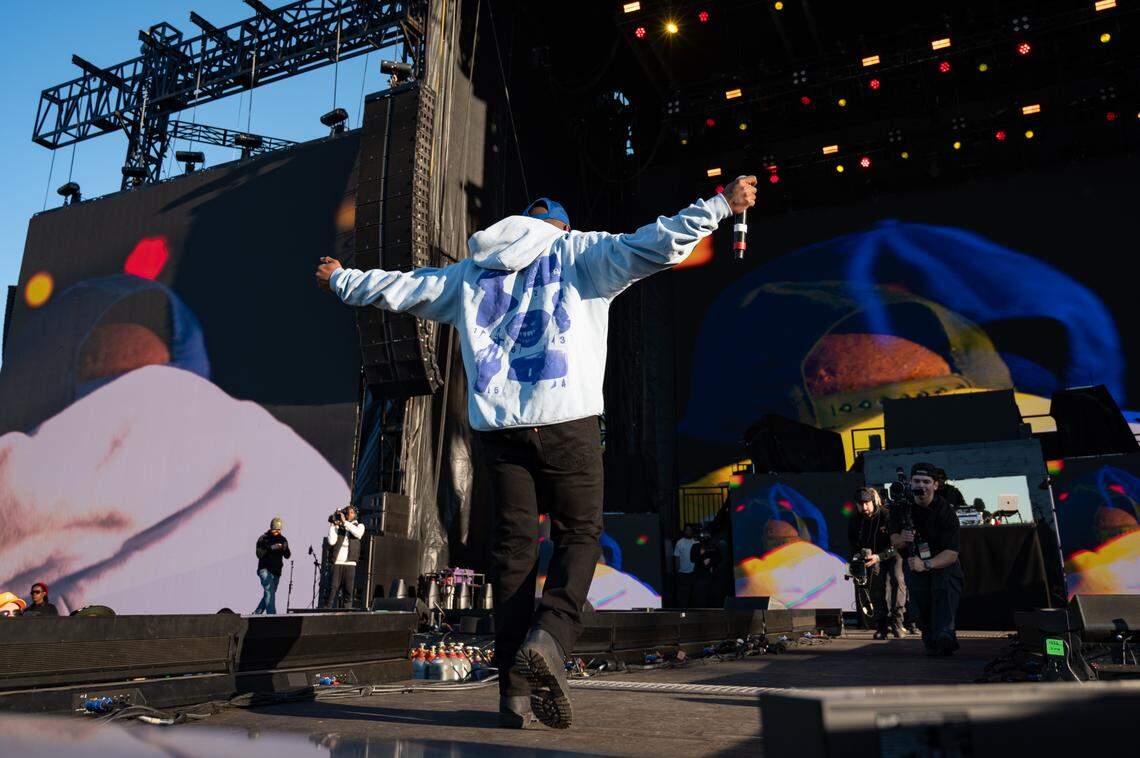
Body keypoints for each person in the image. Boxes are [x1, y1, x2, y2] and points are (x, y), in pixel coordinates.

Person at [317, 177, 757, 729]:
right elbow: (658, 244)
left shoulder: (472, 271)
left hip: (500, 430)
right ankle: (550, 637)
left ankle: (512, 694)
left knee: (513, 552)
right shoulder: (580, 251)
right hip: (567, 419)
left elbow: (406, 289)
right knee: (580, 533)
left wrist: (342, 281)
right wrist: (719, 206)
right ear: (562, 226)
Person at [890, 462, 964, 656]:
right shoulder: (901, 508)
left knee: (944, 597)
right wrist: (902, 540)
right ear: (910, 483)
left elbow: (952, 553)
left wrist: (927, 564)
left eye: (926, 481)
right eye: (917, 481)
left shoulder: (945, 511)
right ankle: (932, 640)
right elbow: (894, 539)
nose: (921, 486)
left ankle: (946, 635)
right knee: (921, 606)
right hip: (914, 564)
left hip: (942, 564)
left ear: (935, 485)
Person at [847, 488, 906, 639]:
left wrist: (879, 556)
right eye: (860, 504)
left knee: (897, 582)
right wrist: (858, 555)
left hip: (892, 555)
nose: (864, 507)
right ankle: (881, 626)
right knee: (877, 589)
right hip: (872, 558)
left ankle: (897, 623)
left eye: (867, 503)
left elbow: (898, 544)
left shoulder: (887, 515)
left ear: (873, 501)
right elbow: (854, 542)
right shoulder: (856, 520)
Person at [327, 506, 364, 609]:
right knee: (332, 589)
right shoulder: (339, 527)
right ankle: (326, 611)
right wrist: (333, 526)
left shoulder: (359, 526)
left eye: (351, 513)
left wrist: (345, 523)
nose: (349, 515)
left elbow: (358, 534)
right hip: (337, 562)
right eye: (347, 513)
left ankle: (346, 614)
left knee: (348, 591)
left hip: (350, 563)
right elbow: (331, 541)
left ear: (355, 514)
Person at [254, 518, 291, 615]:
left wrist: (285, 548)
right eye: (275, 529)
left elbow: (287, 555)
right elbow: (259, 554)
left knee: (270, 594)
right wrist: (270, 548)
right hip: (264, 569)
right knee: (269, 591)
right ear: (271, 528)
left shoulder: (283, 539)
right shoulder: (263, 539)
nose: (277, 532)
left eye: (279, 529)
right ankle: (272, 615)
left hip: (276, 572)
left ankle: (257, 613)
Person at [673, 525, 697, 607]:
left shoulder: (696, 542)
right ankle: (683, 612)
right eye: (687, 530)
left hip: (694, 572)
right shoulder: (679, 542)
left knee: (694, 594)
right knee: (683, 596)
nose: (688, 532)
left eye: (690, 530)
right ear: (684, 531)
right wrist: (677, 571)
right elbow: (677, 557)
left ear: (692, 531)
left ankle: (693, 612)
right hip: (682, 573)